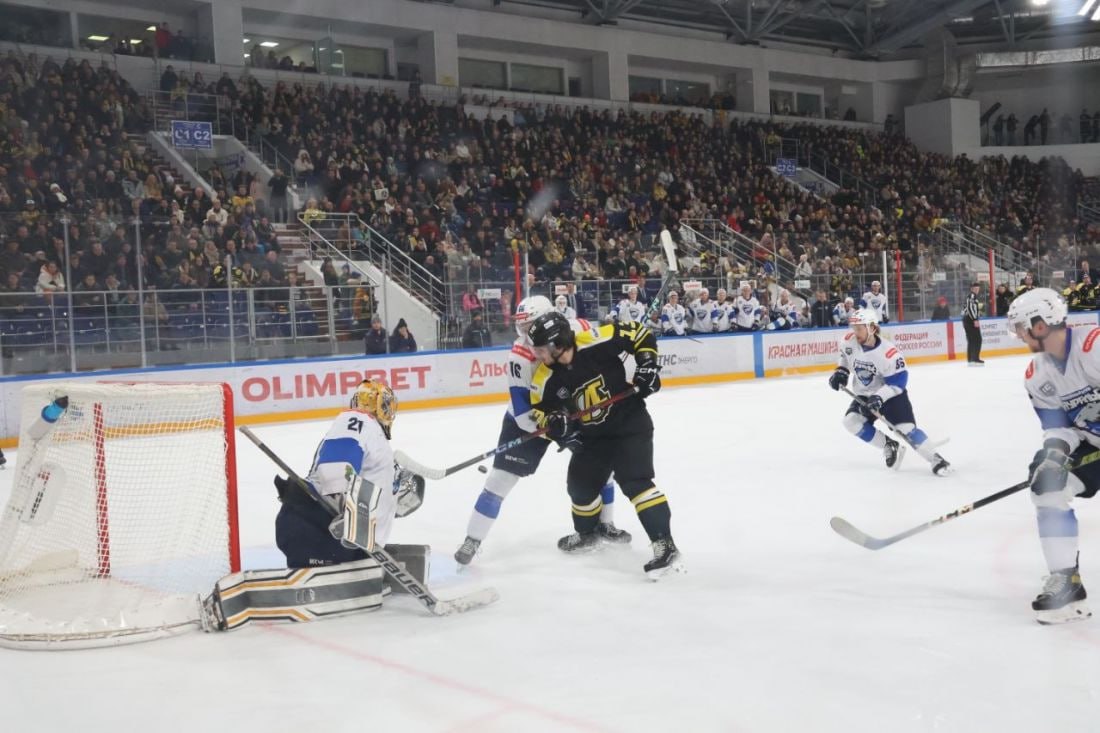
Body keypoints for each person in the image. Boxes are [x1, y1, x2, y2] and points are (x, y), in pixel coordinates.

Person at [202, 380, 428, 631]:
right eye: (386, 405)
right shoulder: (359, 420)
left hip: (329, 535)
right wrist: (347, 511)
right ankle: (234, 602)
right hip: (318, 528)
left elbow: (378, 495)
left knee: (361, 568)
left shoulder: (375, 441)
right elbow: (336, 465)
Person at [454, 296, 626, 566]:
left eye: (531, 326)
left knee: (603, 465)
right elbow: (523, 416)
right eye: (522, 328)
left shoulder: (579, 328)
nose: (527, 335)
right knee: (499, 480)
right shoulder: (520, 356)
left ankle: (606, 524)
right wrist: (559, 432)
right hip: (533, 418)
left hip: (570, 408)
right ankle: (472, 540)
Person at [526, 310, 682, 579]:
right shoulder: (544, 377)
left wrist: (647, 365)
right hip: (592, 438)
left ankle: (664, 545)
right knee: (579, 488)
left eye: (540, 349)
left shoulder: (596, 340)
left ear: (557, 344)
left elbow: (638, 332)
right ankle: (587, 535)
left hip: (629, 426)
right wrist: (557, 427)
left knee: (635, 481)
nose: (537, 355)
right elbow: (540, 412)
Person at [1005, 288, 1100, 623]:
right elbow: (1059, 426)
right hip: (1092, 443)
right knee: (1047, 489)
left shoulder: (1094, 347)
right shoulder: (1037, 376)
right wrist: (1054, 456)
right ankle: (1067, 582)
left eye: (1020, 327)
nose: (1018, 335)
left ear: (1040, 324)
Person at [828, 308, 950, 475]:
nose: (855, 332)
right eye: (853, 327)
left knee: (905, 429)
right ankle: (889, 445)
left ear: (872, 328)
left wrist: (879, 398)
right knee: (851, 421)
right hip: (865, 393)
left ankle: (936, 458)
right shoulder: (849, 341)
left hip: (891, 394)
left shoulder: (888, 352)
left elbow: (898, 381)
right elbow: (844, 356)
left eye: (859, 328)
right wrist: (841, 370)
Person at [962, 282, 984, 365]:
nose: (977, 290)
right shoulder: (972, 296)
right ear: (971, 289)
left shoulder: (972, 296)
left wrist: (978, 314)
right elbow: (970, 308)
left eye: (978, 289)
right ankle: (975, 358)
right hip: (970, 320)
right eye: (975, 289)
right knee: (977, 339)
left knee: (971, 340)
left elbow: (968, 308)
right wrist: (975, 319)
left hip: (967, 319)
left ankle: (971, 359)